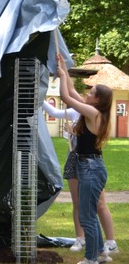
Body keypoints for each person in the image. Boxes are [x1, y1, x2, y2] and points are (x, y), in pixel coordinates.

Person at [56, 54, 113, 264]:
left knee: (87, 216)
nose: (87, 93)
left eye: (92, 92)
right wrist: (63, 66)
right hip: (90, 166)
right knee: (89, 213)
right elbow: (71, 91)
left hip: (90, 168)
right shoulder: (93, 111)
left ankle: (91, 259)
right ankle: (100, 252)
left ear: (97, 100)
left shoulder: (92, 112)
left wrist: (62, 76)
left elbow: (66, 99)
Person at [42, 101, 119, 254]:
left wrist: (73, 132)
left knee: (99, 204)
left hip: (90, 161)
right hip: (74, 158)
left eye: (90, 94)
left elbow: (90, 138)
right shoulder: (74, 112)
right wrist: (39, 96)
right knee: (77, 203)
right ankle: (80, 238)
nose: (86, 96)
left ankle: (111, 243)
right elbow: (54, 112)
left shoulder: (93, 113)